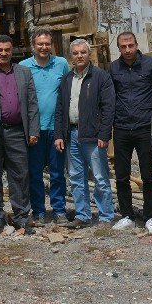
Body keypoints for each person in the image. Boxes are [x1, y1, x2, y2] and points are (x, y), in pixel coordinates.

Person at [0, 35, 40, 234]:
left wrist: (33, 130)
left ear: (12, 51)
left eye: (7, 50)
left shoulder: (24, 72)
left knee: (20, 174)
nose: (3, 53)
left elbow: (32, 103)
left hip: (17, 131)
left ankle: (21, 215)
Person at [108, 32, 152, 233]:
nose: (127, 50)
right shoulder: (114, 68)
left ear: (136, 45)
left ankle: (150, 217)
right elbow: (109, 98)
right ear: (118, 48)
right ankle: (127, 215)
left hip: (145, 128)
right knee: (122, 176)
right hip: (122, 128)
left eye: (130, 45)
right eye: (123, 47)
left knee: (148, 175)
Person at [54, 39, 116, 228]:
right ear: (71, 56)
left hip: (93, 136)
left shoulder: (100, 77)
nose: (79, 56)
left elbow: (108, 108)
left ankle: (106, 215)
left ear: (89, 55)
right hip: (71, 134)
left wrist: (104, 135)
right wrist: (58, 134)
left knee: (100, 177)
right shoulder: (67, 79)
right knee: (75, 177)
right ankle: (82, 214)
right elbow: (60, 108)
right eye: (76, 53)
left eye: (83, 52)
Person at [20, 29, 71, 225]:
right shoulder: (24, 67)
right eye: (40, 44)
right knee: (34, 173)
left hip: (56, 129)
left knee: (58, 172)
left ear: (51, 45)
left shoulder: (61, 64)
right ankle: (39, 210)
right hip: (34, 130)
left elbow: (67, 91)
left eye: (47, 44)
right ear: (33, 46)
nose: (43, 47)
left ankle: (59, 210)